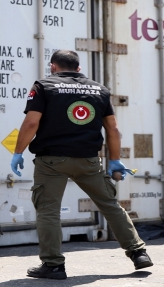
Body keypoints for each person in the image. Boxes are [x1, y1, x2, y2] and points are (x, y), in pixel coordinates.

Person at [10, 50, 152, 280]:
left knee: (48, 211)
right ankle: (138, 252)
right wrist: (114, 159)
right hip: (88, 160)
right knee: (109, 205)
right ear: (78, 69)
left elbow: (31, 123)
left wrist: (18, 152)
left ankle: (53, 265)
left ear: (53, 66)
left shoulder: (43, 86)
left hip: (51, 161)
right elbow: (113, 129)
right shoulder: (99, 90)